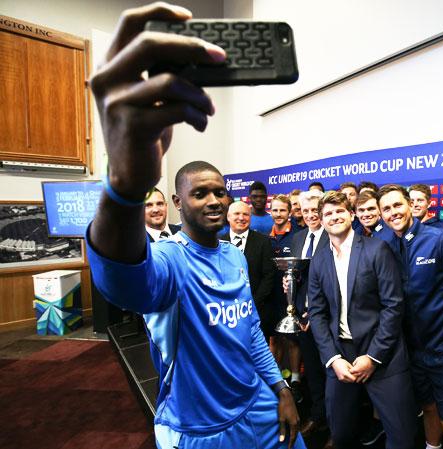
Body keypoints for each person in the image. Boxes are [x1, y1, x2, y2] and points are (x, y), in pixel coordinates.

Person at [85, 4, 302, 448]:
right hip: (199, 431)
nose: (215, 200)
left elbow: (249, 335)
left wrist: (281, 390)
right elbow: (124, 285)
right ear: (178, 203)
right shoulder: (169, 259)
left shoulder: (234, 255)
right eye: (200, 193)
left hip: (259, 410)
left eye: (220, 191)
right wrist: (124, 187)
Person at [308, 191, 416, 449]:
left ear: (351, 214)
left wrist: (374, 356)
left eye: (339, 211)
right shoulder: (319, 260)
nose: (334, 217)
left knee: (402, 438)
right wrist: (333, 359)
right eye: (328, 214)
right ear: (321, 221)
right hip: (340, 357)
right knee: (342, 435)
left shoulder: (377, 249)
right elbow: (317, 313)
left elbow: (393, 306)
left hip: (384, 356)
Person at [378, 184, 443, 449]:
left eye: (398, 205)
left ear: (410, 205)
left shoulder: (440, 240)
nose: (393, 212)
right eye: (386, 208)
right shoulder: (383, 246)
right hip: (410, 353)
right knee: (428, 413)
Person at [289, 189, 332, 446]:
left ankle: (336, 426)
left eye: (314, 210)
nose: (310, 215)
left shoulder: (335, 236)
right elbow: (296, 277)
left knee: (332, 375)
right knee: (314, 372)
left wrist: (313, 314)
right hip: (302, 320)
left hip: (326, 318)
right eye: (305, 211)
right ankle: (318, 416)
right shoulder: (297, 239)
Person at [222, 201, 276, 340]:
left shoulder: (263, 242)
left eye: (245, 214)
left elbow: (269, 276)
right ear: (228, 217)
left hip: (256, 311)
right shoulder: (218, 243)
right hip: (225, 312)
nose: (241, 218)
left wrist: (252, 303)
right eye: (237, 214)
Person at [268, 194, 303, 401]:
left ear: (289, 212)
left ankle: (296, 379)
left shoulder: (297, 236)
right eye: (275, 210)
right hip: (272, 296)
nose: (278, 214)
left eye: (282, 210)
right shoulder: (266, 237)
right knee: (274, 338)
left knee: (292, 339)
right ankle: (279, 376)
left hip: (292, 296)